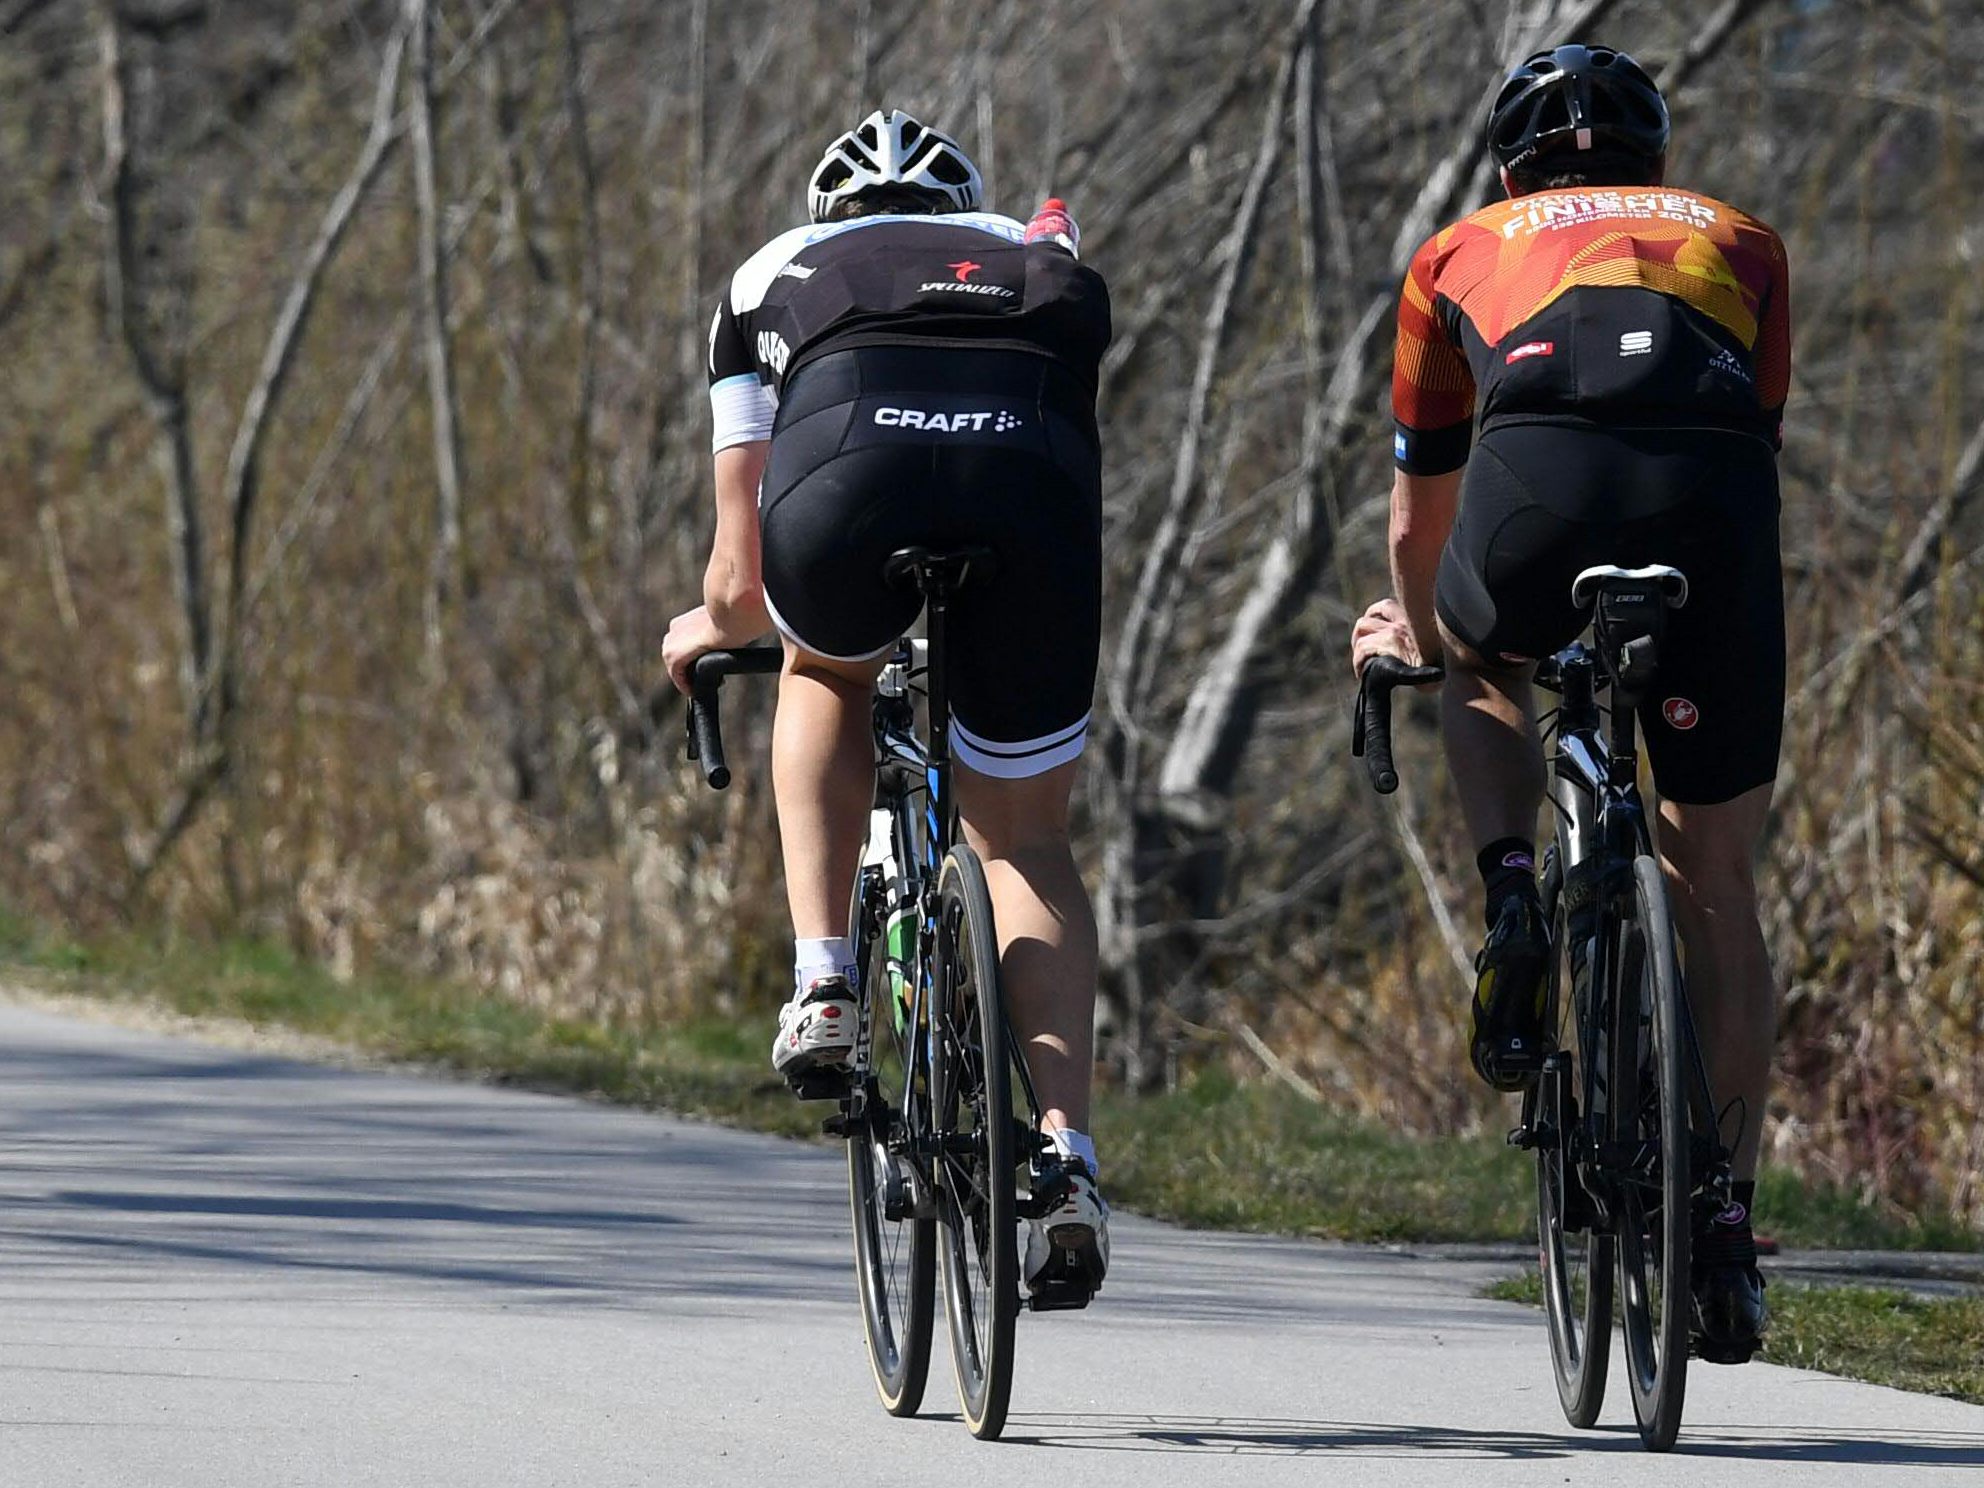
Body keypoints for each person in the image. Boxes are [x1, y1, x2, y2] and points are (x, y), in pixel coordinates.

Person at [1349, 44, 1788, 1363]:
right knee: (1716, 875)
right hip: (1709, 509)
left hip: (1536, 492)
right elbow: (1756, 435)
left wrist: (1418, 635)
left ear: (1508, 169)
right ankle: (1721, 1226)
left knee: (1480, 661)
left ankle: (1513, 897)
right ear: (1657, 161)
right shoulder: (1744, 239)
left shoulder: (1454, 251)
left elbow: (1420, 502)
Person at [663, 109, 1113, 1298]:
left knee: (824, 668)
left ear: (831, 218)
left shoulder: (771, 271)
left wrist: (706, 629)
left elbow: (740, 581)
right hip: (1029, 480)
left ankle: (823, 979)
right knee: (1024, 839)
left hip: (852, 466)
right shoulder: (1032, 247)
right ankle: (1065, 1157)